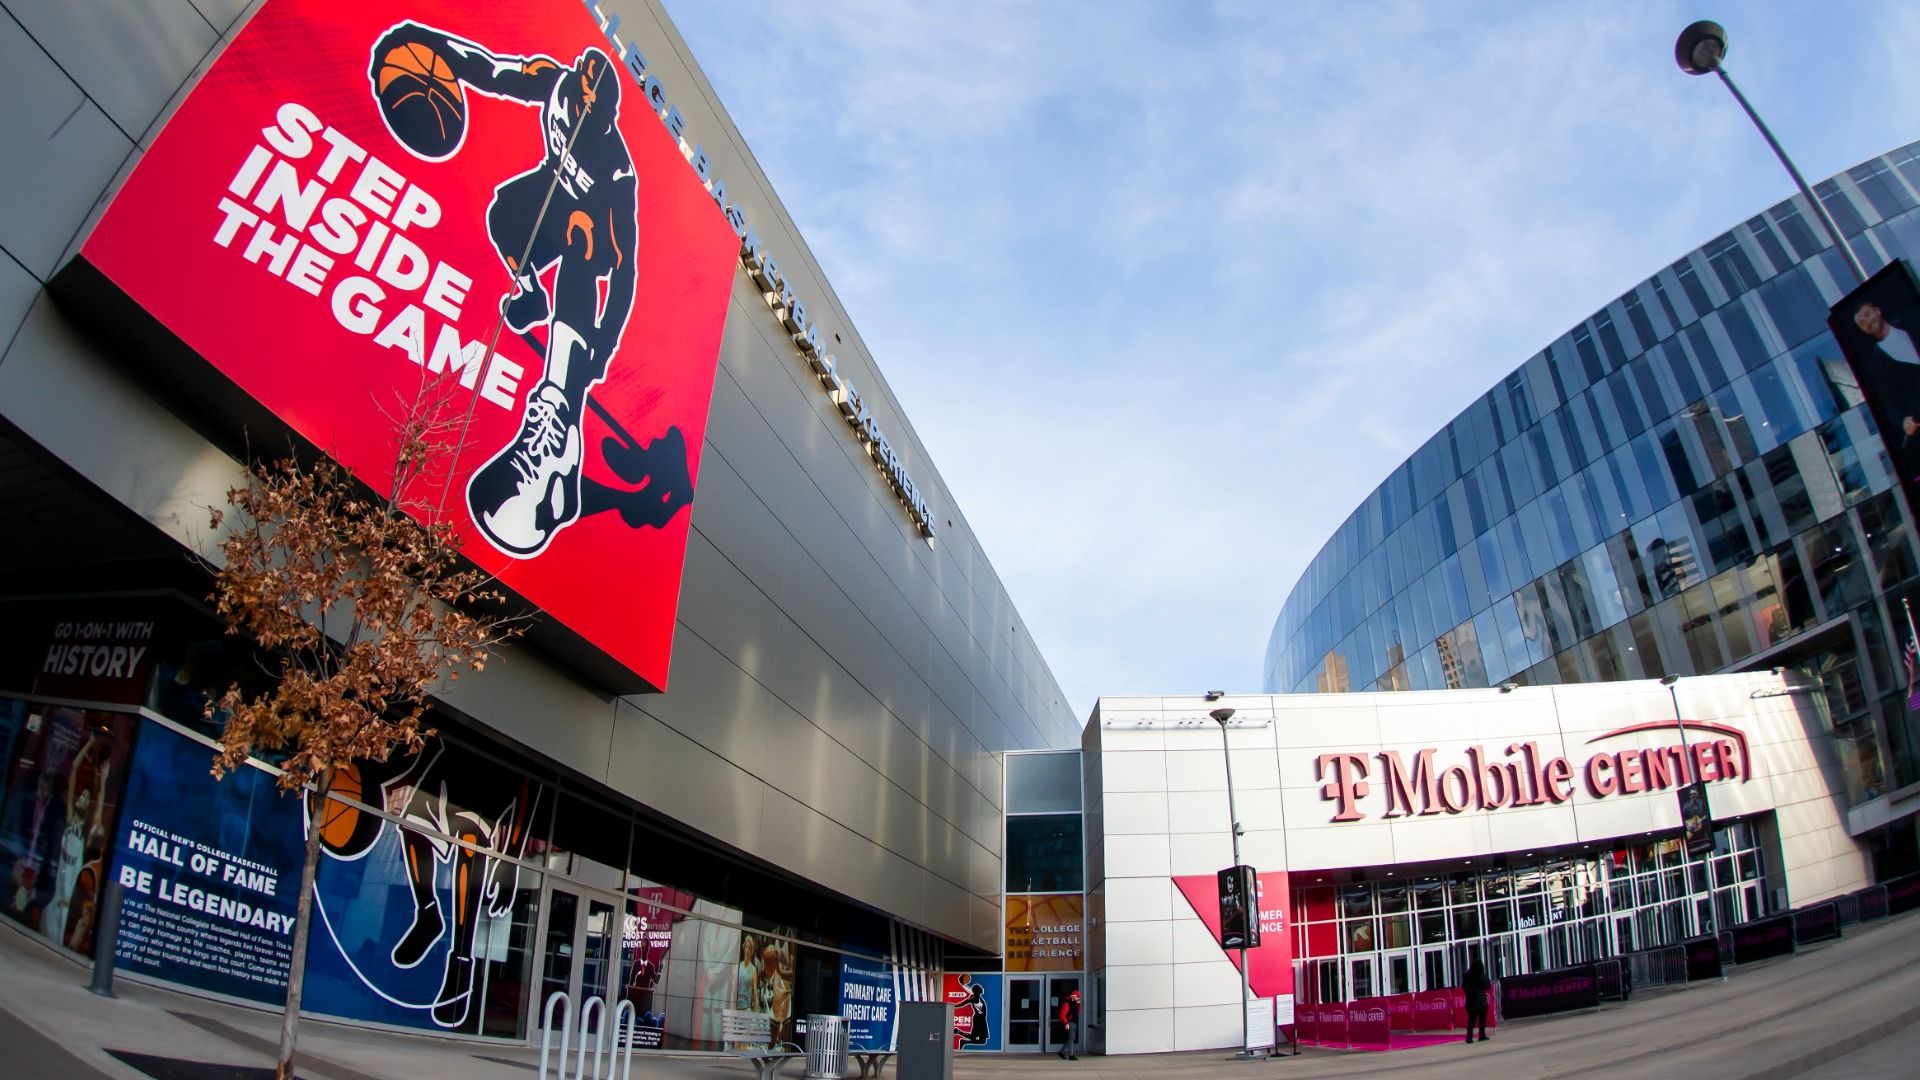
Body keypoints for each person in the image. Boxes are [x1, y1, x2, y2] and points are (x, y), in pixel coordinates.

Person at [1462, 949, 1491, 1044]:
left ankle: (1469, 1037)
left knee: (1471, 1020)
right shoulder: (1480, 975)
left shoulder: (1467, 976)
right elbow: (1486, 985)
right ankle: (1481, 1035)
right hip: (1481, 1001)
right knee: (1482, 1019)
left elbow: (1464, 987)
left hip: (1470, 1001)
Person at [1057, 988, 1082, 1060]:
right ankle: (1071, 1055)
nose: (1078, 998)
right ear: (1073, 996)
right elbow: (1062, 1014)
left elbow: (1078, 1011)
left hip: (1074, 1022)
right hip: (1069, 1022)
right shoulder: (1067, 1003)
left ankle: (1061, 1052)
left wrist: (1078, 1003)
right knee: (1071, 1038)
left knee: (1071, 1039)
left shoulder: (1075, 1003)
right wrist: (1065, 1023)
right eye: (1077, 996)